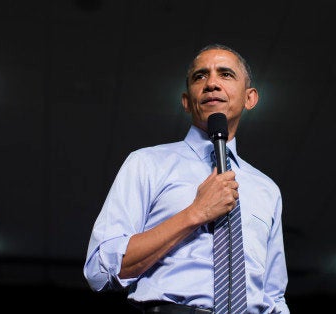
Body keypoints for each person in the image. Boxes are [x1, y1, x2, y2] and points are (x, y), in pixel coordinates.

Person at [83, 43, 290, 314]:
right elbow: (99, 270)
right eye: (200, 76)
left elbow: (274, 296)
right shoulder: (147, 163)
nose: (211, 83)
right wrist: (196, 213)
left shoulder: (267, 189)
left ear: (250, 98)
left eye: (225, 74)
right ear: (186, 101)